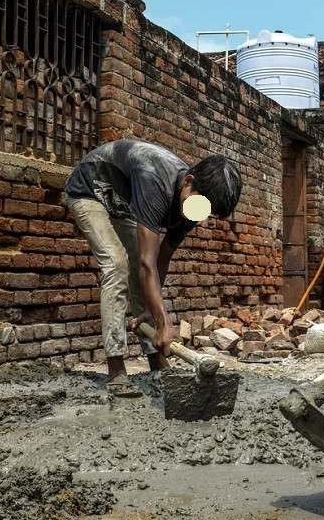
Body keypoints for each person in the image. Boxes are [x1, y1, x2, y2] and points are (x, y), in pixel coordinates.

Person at [65, 139, 242, 397]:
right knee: (117, 264)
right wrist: (165, 322)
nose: (201, 217)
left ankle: (155, 359)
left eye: (208, 213)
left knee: (142, 277)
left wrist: (151, 310)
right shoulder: (154, 180)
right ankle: (116, 368)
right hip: (90, 190)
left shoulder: (195, 205)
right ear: (188, 181)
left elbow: (161, 260)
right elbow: (148, 262)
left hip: (123, 201)